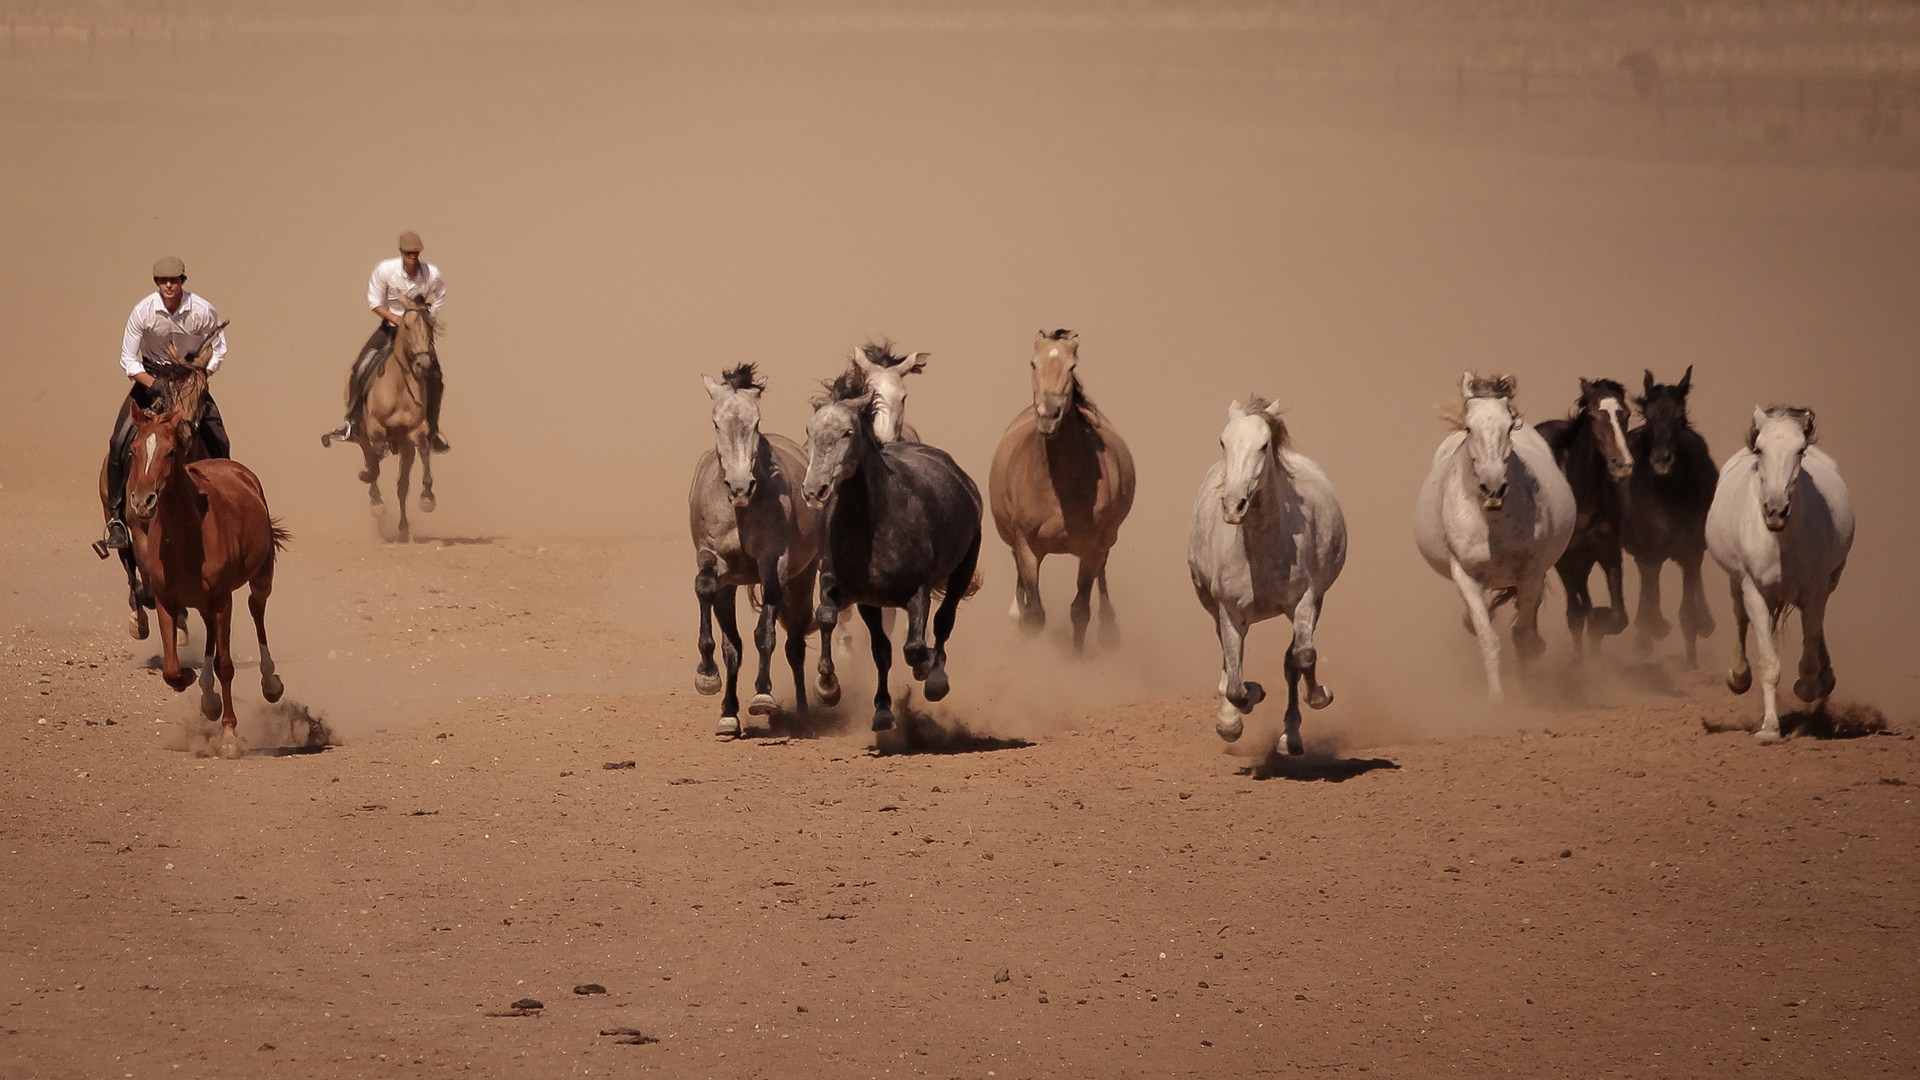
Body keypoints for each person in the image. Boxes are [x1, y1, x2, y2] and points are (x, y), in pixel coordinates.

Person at [100, 256, 230, 551]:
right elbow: (128, 360)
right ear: (156, 283)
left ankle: (224, 511)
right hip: (151, 380)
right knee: (119, 441)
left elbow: (219, 349)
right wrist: (155, 385)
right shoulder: (143, 312)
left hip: (190, 381)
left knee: (220, 441)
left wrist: (200, 379)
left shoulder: (202, 310)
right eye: (162, 281)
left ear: (183, 281)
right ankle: (117, 519)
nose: (168, 285)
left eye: (173, 280)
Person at [322, 230, 450, 451]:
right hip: (390, 327)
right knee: (361, 367)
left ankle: (433, 429)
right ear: (401, 252)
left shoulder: (432, 274)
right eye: (408, 253)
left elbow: (439, 295)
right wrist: (394, 318)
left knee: (436, 376)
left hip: (416, 333)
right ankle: (351, 422)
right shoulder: (385, 270)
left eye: (416, 253)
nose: (412, 257)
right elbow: (374, 301)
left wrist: (423, 319)